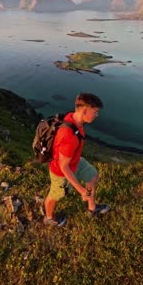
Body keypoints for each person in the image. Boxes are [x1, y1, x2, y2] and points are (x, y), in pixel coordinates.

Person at [44, 92, 110, 226]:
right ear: (85, 111)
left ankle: (92, 209)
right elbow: (64, 167)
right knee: (55, 195)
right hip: (61, 171)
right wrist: (80, 190)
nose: (97, 115)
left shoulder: (73, 118)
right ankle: (49, 218)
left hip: (74, 161)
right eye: (95, 112)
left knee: (92, 176)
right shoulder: (69, 137)